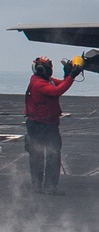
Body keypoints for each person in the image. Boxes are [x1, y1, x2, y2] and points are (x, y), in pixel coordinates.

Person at [24, 55, 83, 194]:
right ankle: (46, 186)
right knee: (49, 155)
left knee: (43, 155)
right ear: (41, 69)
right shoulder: (39, 83)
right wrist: (72, 75)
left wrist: (68, 74)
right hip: (41, 124)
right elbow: (58, 91)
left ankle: (40, 186)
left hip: (44, 123)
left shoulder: (45, 80)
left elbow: (61, 84)